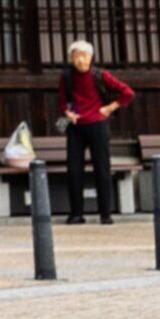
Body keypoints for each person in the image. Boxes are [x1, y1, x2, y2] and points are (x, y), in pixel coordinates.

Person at [56, 40, 134, 224]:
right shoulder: (66, 77)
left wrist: (109, 108)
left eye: (84, 56)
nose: (80, 60)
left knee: (102, 169)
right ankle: (76, 213)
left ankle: (105, 214)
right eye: (76, 56)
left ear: (91, 58)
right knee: (74, 170)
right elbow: (62, 102)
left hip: (98, 125)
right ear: (71, 58)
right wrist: (67, 113)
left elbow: (128, 93)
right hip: (75, 127)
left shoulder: (100, 75)